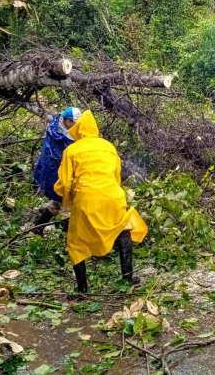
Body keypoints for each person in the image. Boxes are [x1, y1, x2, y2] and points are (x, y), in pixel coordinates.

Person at [54, 109, 148, 293]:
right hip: (113, 196)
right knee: (122, 231)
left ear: (79, 129)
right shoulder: (109, 147)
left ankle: (82, 288)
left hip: (86, 199)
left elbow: (65, 183)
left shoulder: (71, 150)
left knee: (76, 243)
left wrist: (67, 204)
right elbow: (116, 176)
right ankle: (127, 279)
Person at [32, 107, 81, 232]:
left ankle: (38, 227)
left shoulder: (55, 127)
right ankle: (65, 237)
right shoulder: (60, 136)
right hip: (58, 174)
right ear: (66, 120)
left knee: (57, 201)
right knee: (67, 204)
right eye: (73, 123)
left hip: (56, 174)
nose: (76, 126)